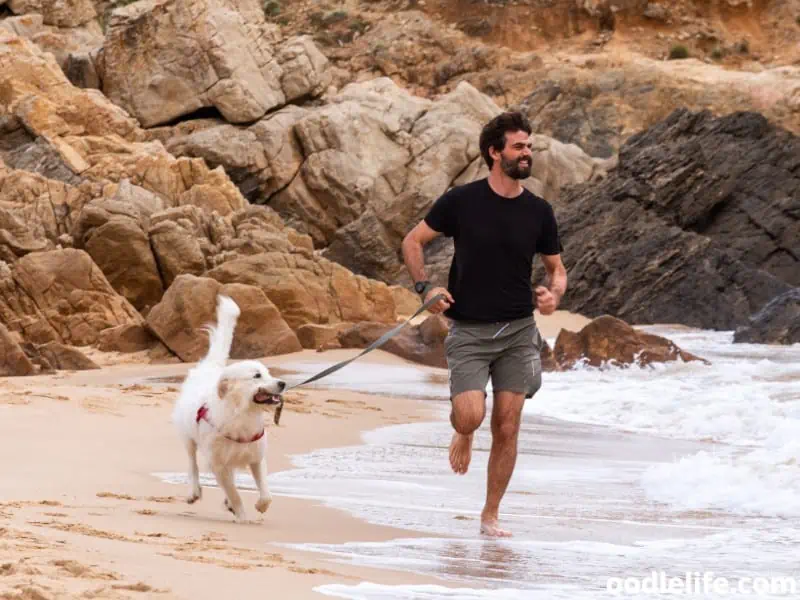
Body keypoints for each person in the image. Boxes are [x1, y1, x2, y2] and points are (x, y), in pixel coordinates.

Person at [400, 111, 567, 538]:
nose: (527, 153)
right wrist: (426, 288)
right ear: (495, 152)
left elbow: (556, 269)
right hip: (469, 330)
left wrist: (554, 294)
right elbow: (412, 241)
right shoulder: (461, 201)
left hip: (517, 332)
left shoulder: (539, 212)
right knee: (472, 416)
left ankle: (490, 515)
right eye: (518, 146)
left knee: (508, 425)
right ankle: (463, 430)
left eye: (529, 146)